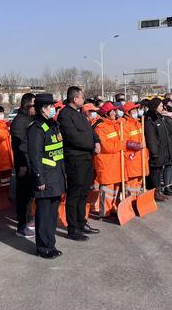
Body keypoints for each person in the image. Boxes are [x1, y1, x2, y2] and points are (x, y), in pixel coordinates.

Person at [58, 86, 100, 240]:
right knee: (74, 194)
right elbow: (72, 137)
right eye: (82, 97)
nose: (84, 100)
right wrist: (91, 145)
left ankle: (82, 222)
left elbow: (91, 131)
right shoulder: (65, 115)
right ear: (75, 99)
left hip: (86, 158)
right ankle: (73, 228)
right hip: (75, 159)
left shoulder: (80, 114)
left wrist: (97, 141)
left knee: (83, 193)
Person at [27, 93, 66, 258]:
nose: (54, 109)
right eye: (51, 107)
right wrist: (39, 178)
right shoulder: (36, 128)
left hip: (56, 176)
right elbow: (34, 156)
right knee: (43, 215)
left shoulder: (53, 125)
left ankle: (51, 244)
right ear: (43, 109)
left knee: (52, 215)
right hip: (45, 177)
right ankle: (43, 248)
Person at [10, 93, 36, 237]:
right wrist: (22, 165)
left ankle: (28, 221)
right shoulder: (20, 121)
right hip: (24, 164)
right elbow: (19, 146)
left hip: (31, 163)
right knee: (23, 196)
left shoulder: (29, 119)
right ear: (26, 105)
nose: (35, 108)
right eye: (33, 105)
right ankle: (22, 225)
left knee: (29, 196)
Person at [93, 102, 123, 218]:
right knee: (107, 188)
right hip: (106, 163)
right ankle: (104, 211)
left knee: (115, 188)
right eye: (113, 111)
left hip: (115, 162)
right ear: (107, 113)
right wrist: (122, 144)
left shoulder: (114, 125)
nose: (115, 113)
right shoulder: (100, 127)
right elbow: (106, 147)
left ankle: (113, 207)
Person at [144, 98, 172, 202]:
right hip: (156, 152)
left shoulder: (158, 117)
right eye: (160, 106)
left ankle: (158, 191)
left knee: (159, 171)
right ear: (155, 107)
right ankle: (155, 192)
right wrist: (154, 152)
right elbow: (151, 138)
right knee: (155, 173)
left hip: (162, 150)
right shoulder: (149, 119)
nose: (162, 108)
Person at [121, 102, 146, 198]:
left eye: (136, 110)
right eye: (134, 110)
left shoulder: (139, 123)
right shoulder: (125, 124)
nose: (136, 112)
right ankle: (130, 199)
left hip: (141, 156)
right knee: (132, 181)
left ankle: (137, 199)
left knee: (139, 180)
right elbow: (125, 141)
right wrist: (137, 145)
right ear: (128, 112)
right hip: (131, 157)